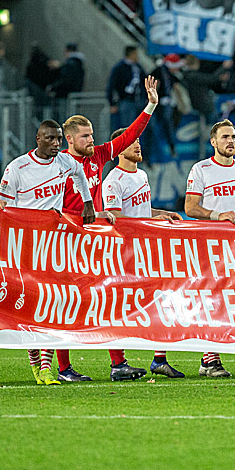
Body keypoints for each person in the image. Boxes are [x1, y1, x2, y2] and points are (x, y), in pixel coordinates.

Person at [50, 76, 157, 382]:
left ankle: (118, 364)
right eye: (85, 137)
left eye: (92, 135)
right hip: (65, 242)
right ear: (69, 139)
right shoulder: (57, 166)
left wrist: (150, 105)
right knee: (68, 304)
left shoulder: (96, 156)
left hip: (95, 242)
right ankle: (62, 367)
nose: (91, 141)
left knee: (108, 299)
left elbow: (129, 136)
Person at [0, 120, 96, 385]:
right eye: (50, 139)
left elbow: (80, 175)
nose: (56, 144)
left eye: (59, 139)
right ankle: (36, 365)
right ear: (38, 138)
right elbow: (3, 203)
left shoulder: (65, 162)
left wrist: (88, 203)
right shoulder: (18, 167)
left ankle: (48, 367)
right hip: (26, 245)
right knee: (29, 307)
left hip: (54, 245)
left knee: (54, 304)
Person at [101, 132, 185, 379]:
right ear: (118, 151)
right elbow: (115, 218)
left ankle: (160, 359)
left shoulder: (141, 175)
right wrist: (149, 219)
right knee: (117, 308)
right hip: (124, 254)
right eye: (131, 142)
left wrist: (161, 213)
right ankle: (118, 364)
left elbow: (141, 210)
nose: (138, 144)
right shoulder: (113, 180)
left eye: (138, 141)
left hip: (146, 251)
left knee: (161, 301)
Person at [184, 119, 235, 377]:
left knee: (226, 300)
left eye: (234, 137)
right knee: (211, 299)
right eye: (226, 137)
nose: (231, 141)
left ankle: (208, 360)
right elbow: (190, 208)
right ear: (213, 142)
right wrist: (217, 215)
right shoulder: (201, 169)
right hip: (207, 243)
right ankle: (211, 360)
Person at [107, 45, 147, 134]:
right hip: (127, 101)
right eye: (136, 54)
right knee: (127, 126)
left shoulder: (138, 67)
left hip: (139, 100)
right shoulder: (119, 68)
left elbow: (144, 82)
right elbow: (111, 85)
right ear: (131, 54)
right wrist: (111, 102)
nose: (137, 56)